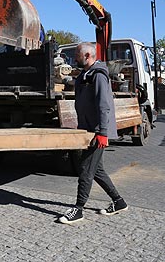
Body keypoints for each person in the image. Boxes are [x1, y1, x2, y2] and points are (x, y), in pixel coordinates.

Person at [58, 42, 128, 224]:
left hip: (97, 132)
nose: (75, 58)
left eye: (78, 55)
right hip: (89, 130)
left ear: (88, 56)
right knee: (97, 170)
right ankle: (119, 202)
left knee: (86, 170)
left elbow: (104, 105)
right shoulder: (86, 74)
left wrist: (103, 132)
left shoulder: (98, 76)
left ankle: (78, 209)